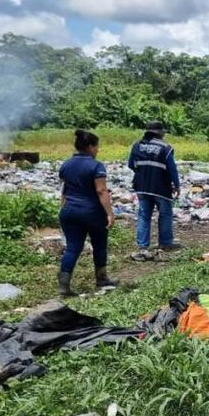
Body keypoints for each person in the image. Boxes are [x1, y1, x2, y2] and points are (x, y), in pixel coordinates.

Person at [58, 130, 117, 296]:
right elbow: (101, 190)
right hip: (91, 212)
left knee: (72, 248)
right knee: (99, 245)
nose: (98, 150)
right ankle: (102, 279)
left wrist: (64, 207)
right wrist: (109, 213)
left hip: (69, 211)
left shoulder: (66, 165)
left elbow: (65, 190)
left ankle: (63, 285)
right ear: (90, 146)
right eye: (97, 146)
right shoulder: (96, 166)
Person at [128, 121, 182, 255]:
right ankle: (165, 242)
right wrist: (176, 185)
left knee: (144, 215)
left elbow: (131, 164)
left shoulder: (137, 145)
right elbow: (172, 169)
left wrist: (142, 172)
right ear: (159, 133)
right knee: (165, 214)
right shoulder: (165, 147)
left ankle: (142, 246)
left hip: (142, 186)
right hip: (161, 187)